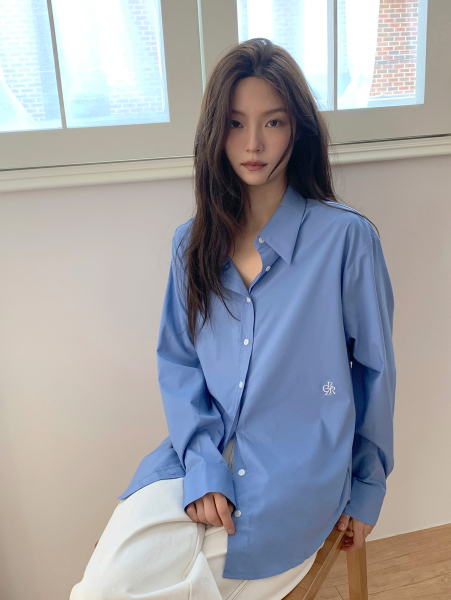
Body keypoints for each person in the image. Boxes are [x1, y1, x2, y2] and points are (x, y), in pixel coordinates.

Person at [70, 37, 396, 600]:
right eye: (235, 123)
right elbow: (180, 364)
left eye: (273, 122)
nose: (253, 144)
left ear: (297, 130)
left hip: (297, 475)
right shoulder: (191, 245)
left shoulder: (346, 240)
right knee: (101, 589)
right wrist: (201, 466)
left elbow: (375, 373)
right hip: (196, 454)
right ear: (214, 133)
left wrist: (367, 489)